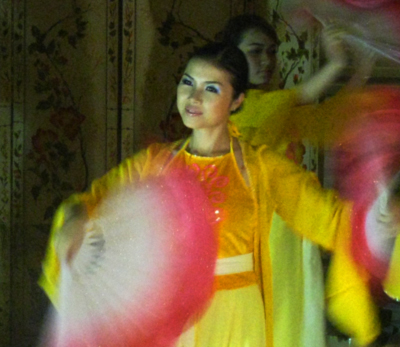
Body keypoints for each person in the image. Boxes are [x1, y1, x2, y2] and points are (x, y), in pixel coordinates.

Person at [39, 42, 384, 347]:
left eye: (211, 89)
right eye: (188, 82)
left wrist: (382, 215)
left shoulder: (261, 168)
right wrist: (74, 220)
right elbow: (91, 200)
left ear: (237, 101)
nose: (193, 97)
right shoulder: (154, 164)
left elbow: (329, 218)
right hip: (171, 313)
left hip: (236, 312)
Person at [219, 14, 363, 347]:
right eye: (256, 51)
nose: (267, 61)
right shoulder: (245, 107)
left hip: (285, 233)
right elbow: (303, 96)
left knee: (288, 323)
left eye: (272, 51)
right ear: (232, 56)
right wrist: (338, 63)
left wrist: (359, 70)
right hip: (258, 236)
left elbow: (330, 118)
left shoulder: (274, 106)